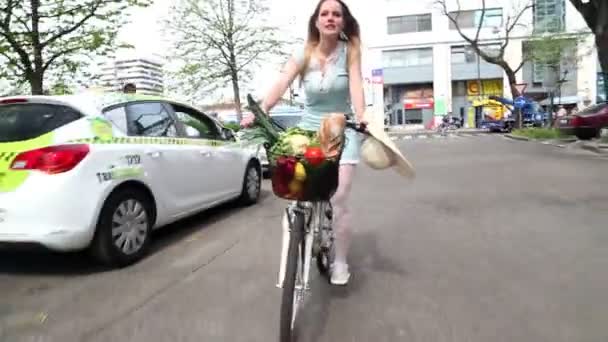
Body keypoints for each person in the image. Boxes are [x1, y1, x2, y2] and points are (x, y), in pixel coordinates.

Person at [252, 0, 366, 285]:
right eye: (324, 14)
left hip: (342, 127)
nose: (330, 18)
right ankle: (300, 225)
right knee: (297, 186)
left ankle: (339, 261)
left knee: (338, 198)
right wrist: (262, 109)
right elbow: (281, 83)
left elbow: (356, 88)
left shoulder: (350, 52)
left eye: (336, 14)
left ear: (343, 21)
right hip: (308, 128)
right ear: (316, 21)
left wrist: (363, 117)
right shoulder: (303, 54)